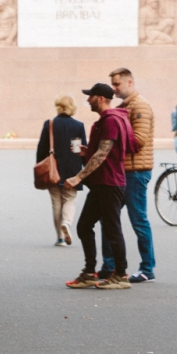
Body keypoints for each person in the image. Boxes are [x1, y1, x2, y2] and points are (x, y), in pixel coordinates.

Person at [64, 84, 135, 290]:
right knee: (85, 226)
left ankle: (121, 274)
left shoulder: (111, 121)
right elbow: (102, 152)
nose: (88, 100)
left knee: (112, 229)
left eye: (91, 97)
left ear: (101, 98)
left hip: (110, 183)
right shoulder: (105, 121)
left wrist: (78, 177)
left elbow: (103, 155)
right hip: (102, 183)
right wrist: (87, 153)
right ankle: (89, 272)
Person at [108, 68, 156, 283]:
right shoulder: (125, 108)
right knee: (109, 219)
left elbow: (138, 141)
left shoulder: (140, 107)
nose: (114, 88)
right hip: (125, 172)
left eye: (117, 84)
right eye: (113, 84)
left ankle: (147, 268)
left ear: (129, 82)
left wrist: (111, 142)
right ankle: (109, 265)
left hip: (136, 172)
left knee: (138, 221)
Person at [36, 94, 87, 246]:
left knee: (56, 202)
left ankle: (60, 237)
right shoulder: (78, 126)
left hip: (53, 169)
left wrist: (40, 167)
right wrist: (85, 170)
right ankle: (67, 223)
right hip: (72, 168)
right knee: (69, 199)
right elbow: (80, 149)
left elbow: (42, 148)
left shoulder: (49, 124)